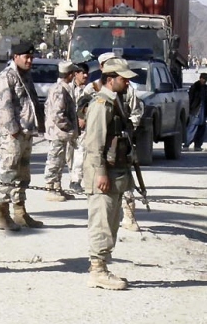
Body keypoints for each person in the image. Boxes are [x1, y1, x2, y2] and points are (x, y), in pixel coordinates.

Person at [83, 57, 137, 290]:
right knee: (102, 223)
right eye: (123, 79)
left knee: (112, 222)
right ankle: (97, 270)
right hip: (102, 175)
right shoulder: (101, 105)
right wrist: (101, 173)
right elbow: (94, 144)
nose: (127, 83)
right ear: (109, 79)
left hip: (115, 173)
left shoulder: (115, 102)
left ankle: (102, 266)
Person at [0, 41, 43, 231]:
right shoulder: (6, 77)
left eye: (31, 57)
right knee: (7, 173)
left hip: (26, 132)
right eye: (26, 57)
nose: (30, 60)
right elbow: (3, 106)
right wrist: (13, 130)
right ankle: (2, 214)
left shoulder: (25, 76)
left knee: (23, 173)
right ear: (15, 57)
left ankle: (20, 212)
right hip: (13, 135)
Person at [43, 60, 80, 201]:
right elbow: (58, 114)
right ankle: (50, 188)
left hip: (61, 134)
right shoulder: (59, 89)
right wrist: (69, 128)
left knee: (60, 161)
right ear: (69, 74)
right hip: (58, 133)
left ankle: (57, 187)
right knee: (54, 160)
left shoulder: (64, 88)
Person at [66, 62, 89, 193]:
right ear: (76, 74)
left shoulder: (90, 89)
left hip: (82, 128)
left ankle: (76, 180)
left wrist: (83, 118)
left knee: (80, 152)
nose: (85, 75)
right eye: (82, 73)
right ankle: (72, 177)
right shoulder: (68, 88)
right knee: (69, 155)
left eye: (87, 73)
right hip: (68, 126)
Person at [185, 72, 207, 151]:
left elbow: (206, 100)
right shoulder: (195, 87)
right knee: (192, 127)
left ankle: (198, 145)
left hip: (202, 111)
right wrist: (190, 109)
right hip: (195, 110)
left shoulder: (205, 88)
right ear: (200, 78)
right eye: (203, 79)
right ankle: (186, 144)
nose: (204, 81)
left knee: (201, 129)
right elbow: (190, 99)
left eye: (205, 80)